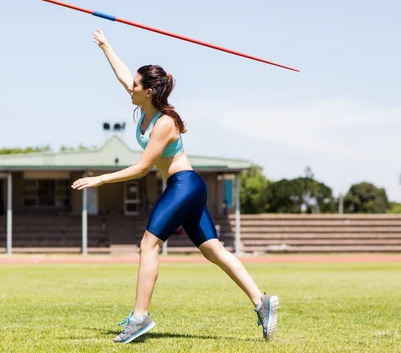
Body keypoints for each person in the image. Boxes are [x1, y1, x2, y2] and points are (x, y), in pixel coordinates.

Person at [71, 29, 279, 344]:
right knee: (213, 250)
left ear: (149, 92)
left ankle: (140, 317)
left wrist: (99, 178)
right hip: (187, 186)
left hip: (184, 185)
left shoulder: (164, 123)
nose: (131, 88)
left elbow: (142, 168)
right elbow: (123, 74)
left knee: (148, 245)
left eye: (136, 86)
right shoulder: (144, 106)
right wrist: (106, 47)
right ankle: (261, 302)